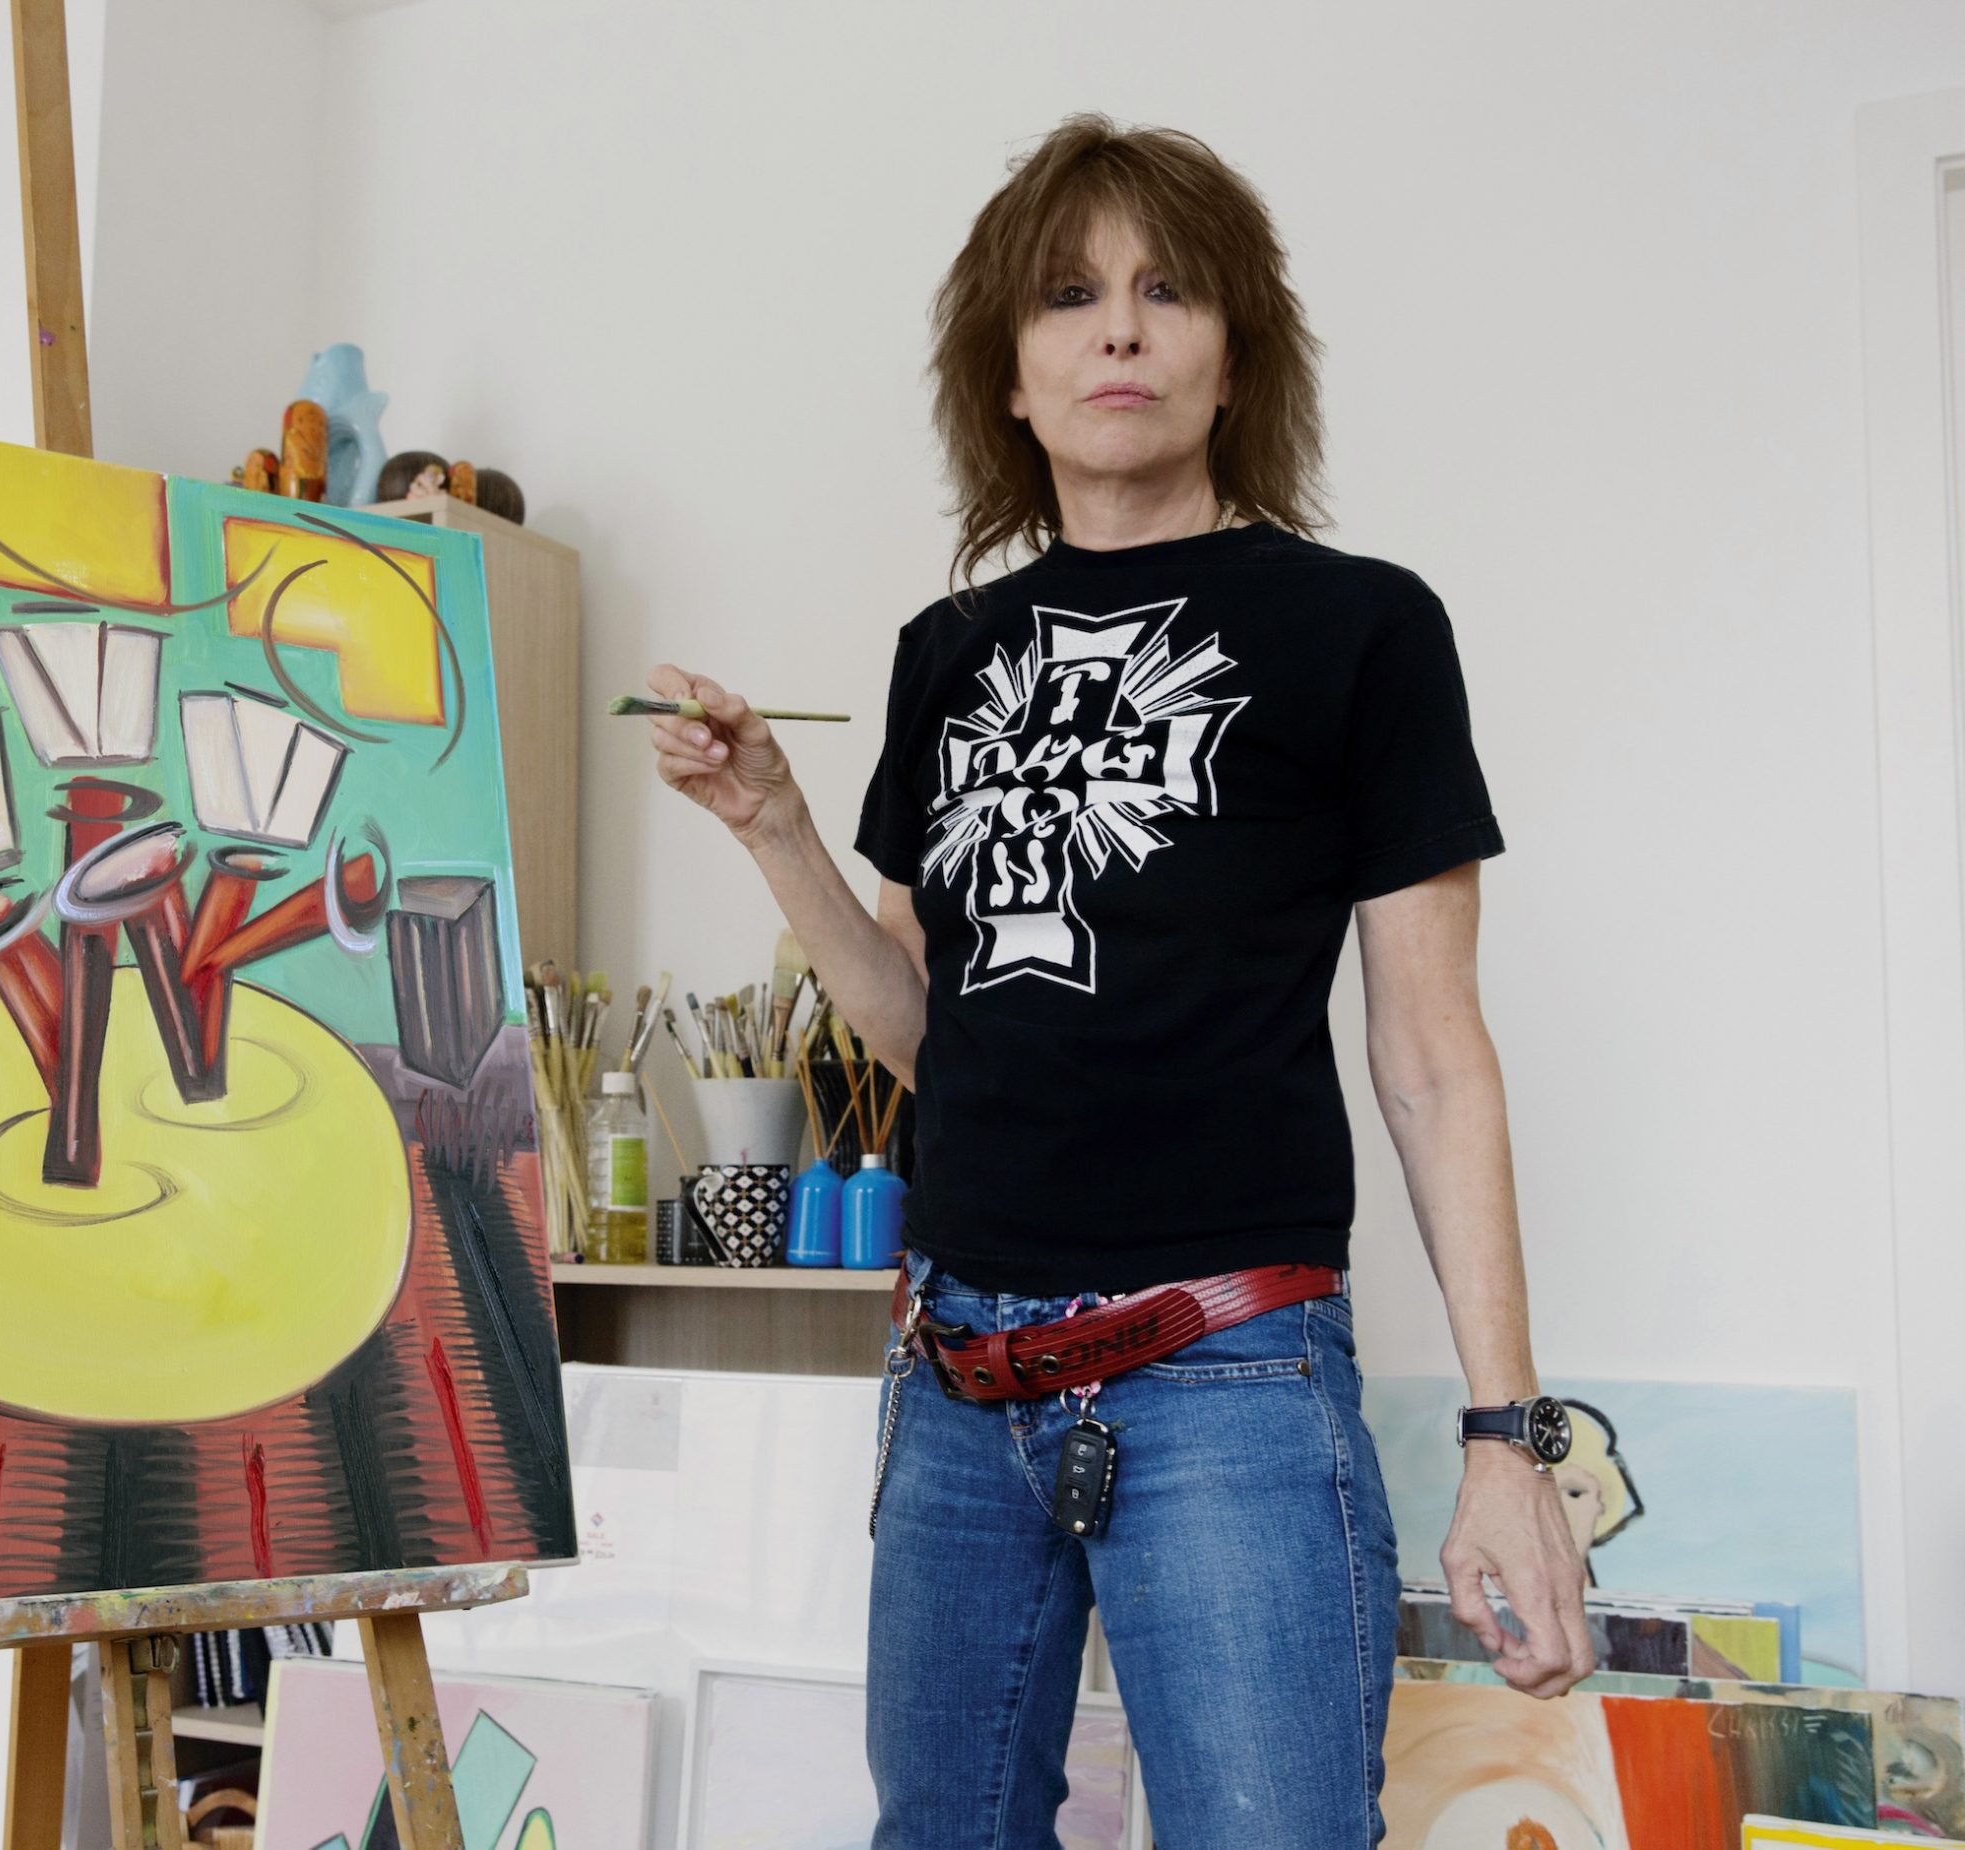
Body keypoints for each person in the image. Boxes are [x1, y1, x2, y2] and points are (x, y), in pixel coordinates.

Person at [639, 115, 1592, 1848]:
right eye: (1070, 296)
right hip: (951, 1377)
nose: (1121, 331)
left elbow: (1434, 1057)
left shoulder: (1361, 629)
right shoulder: (948, 656)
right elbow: (925, 1031)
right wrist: (776, 827)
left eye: (1169, 291)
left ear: (1238, 355)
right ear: (1008, 374)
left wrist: (1506, 1438)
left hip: (1227, 1376)